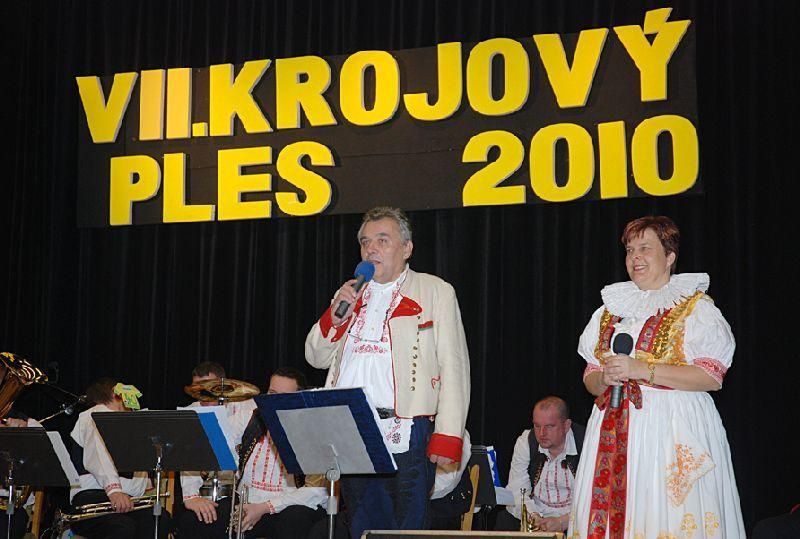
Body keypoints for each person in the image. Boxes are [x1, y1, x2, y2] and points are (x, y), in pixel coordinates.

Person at [568, 216, 745, 538]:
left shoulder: (695, 309)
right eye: (630, 250)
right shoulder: (609, 311)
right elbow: (590, 377)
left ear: (670, 256)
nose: (635, 257)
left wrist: (642, 370)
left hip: (672, 429)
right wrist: (605, 379)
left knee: (669, 516)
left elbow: (711, 376)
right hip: (613, 426)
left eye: (645, 248)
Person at [305, 206, 471, 538]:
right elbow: (315, 357)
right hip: (352, 428)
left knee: (406, 531)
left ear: (407, 248)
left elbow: (454, 366)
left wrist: (448, 434)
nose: (371, 249)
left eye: (382, 240)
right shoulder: (349, 294)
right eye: (365, 242)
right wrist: (334, 319)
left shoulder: (435, 291)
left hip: (406, 429)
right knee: (363, 528)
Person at [178, 367, 328, 539]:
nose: (274, 400)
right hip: (245, 504)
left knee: (296, 520)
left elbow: (317, 491)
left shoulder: (311, 430)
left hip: (286, 507)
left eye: (283, 396)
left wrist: (265, 507)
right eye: (271, 393)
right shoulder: (249, 418)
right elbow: (200, 443)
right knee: (195, 520)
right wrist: (191, 496)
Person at [68, 377, 172, 538]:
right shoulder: (96, 414)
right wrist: (114, 490)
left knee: (159, 519)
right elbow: (99, 454)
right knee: (121, 526)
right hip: (93, 496)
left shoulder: (127, 422)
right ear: (115, 394)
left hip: (126, 499)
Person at [178, 361, 251, 534]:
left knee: (221, 518)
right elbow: (186, 458)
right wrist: (192, 497)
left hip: (239, 492)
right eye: (197, 389)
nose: (202, 393)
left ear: (223, 387)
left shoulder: (246, 409)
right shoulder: (190, 413)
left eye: (208, 386)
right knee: (189, 521)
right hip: (204, 491)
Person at [495, 396, 584, 533]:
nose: (542, 433)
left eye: (549, 426)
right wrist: (533, 517)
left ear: (566, 425)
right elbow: (517, 489)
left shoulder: (586, 442)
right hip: (537, 513)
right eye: (537, 426)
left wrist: (563, 522)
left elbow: (595, 498)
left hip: (573, 519)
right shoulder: (527, 441)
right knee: (504, 519)